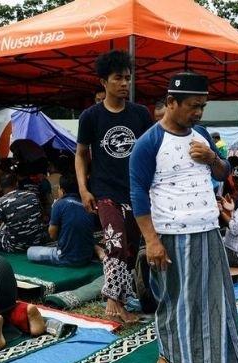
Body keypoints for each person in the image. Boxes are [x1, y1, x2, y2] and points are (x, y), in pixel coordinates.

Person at [130, 71, 238, 363]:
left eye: (203, 106)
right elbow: (138, 195)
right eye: (193, 106)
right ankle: (166, 356)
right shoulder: (149, 143)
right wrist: (152, 241)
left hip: (208, 230)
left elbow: (224, 172)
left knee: (219, 302)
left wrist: (212, 157)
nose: (198, 113)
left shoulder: (201, 134)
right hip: (168, 236)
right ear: (171, 102)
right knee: (173, 299)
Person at [75, 50, 153, 323]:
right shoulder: (91, 117)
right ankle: (112, 300)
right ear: (103, 82)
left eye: (128, 78)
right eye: (118, 78)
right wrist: (84, 189)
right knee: (115, 242)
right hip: (105, 191)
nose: (124, 84)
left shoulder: (141, 114)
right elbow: (81, 154)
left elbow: (149, 152)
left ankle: (121, 296)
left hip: (134, 191)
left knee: (131, 247)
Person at [27, 174, 96, 266]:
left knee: (30, 251)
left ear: (62, 191)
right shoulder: (87, 205)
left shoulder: (59, 204)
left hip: (65, 257)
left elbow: (52, 234)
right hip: (87, 257)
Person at [0, 173, 47, 253]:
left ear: (0, 187)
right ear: (17, 183)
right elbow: (43, 216)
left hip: (16, 247)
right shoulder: (32, 195)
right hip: (38, 242)